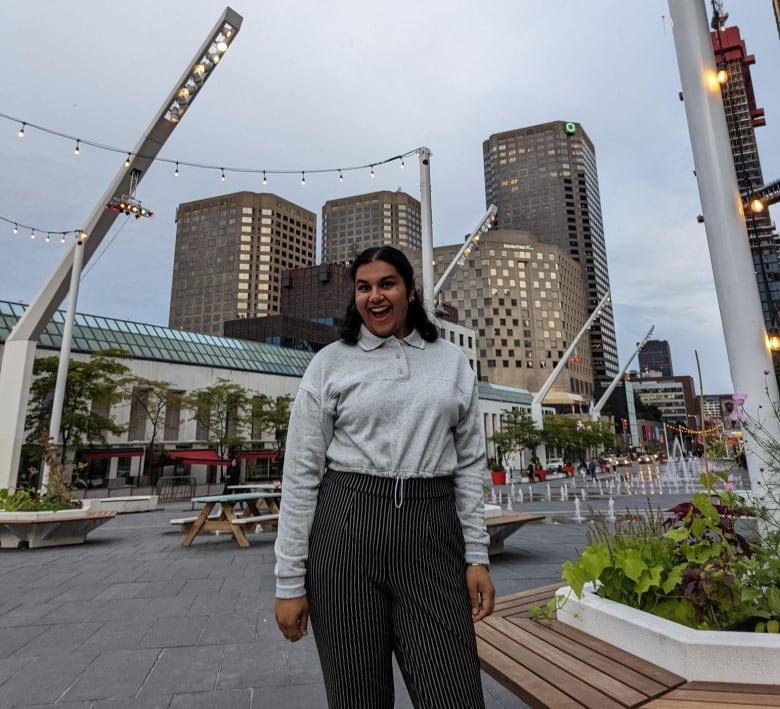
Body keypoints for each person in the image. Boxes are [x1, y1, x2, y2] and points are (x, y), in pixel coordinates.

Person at [274, 246, 495, 708]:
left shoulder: (451, 361)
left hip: (431, 530)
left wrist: (477, 554)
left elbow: (472, 462)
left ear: (410, 291)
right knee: (358, 698)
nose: (375, 296)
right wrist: (289, 582)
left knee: (453, 693)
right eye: (364, 287)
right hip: (347, 528)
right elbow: (300, 473)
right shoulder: (330, 363)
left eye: (387, 284)